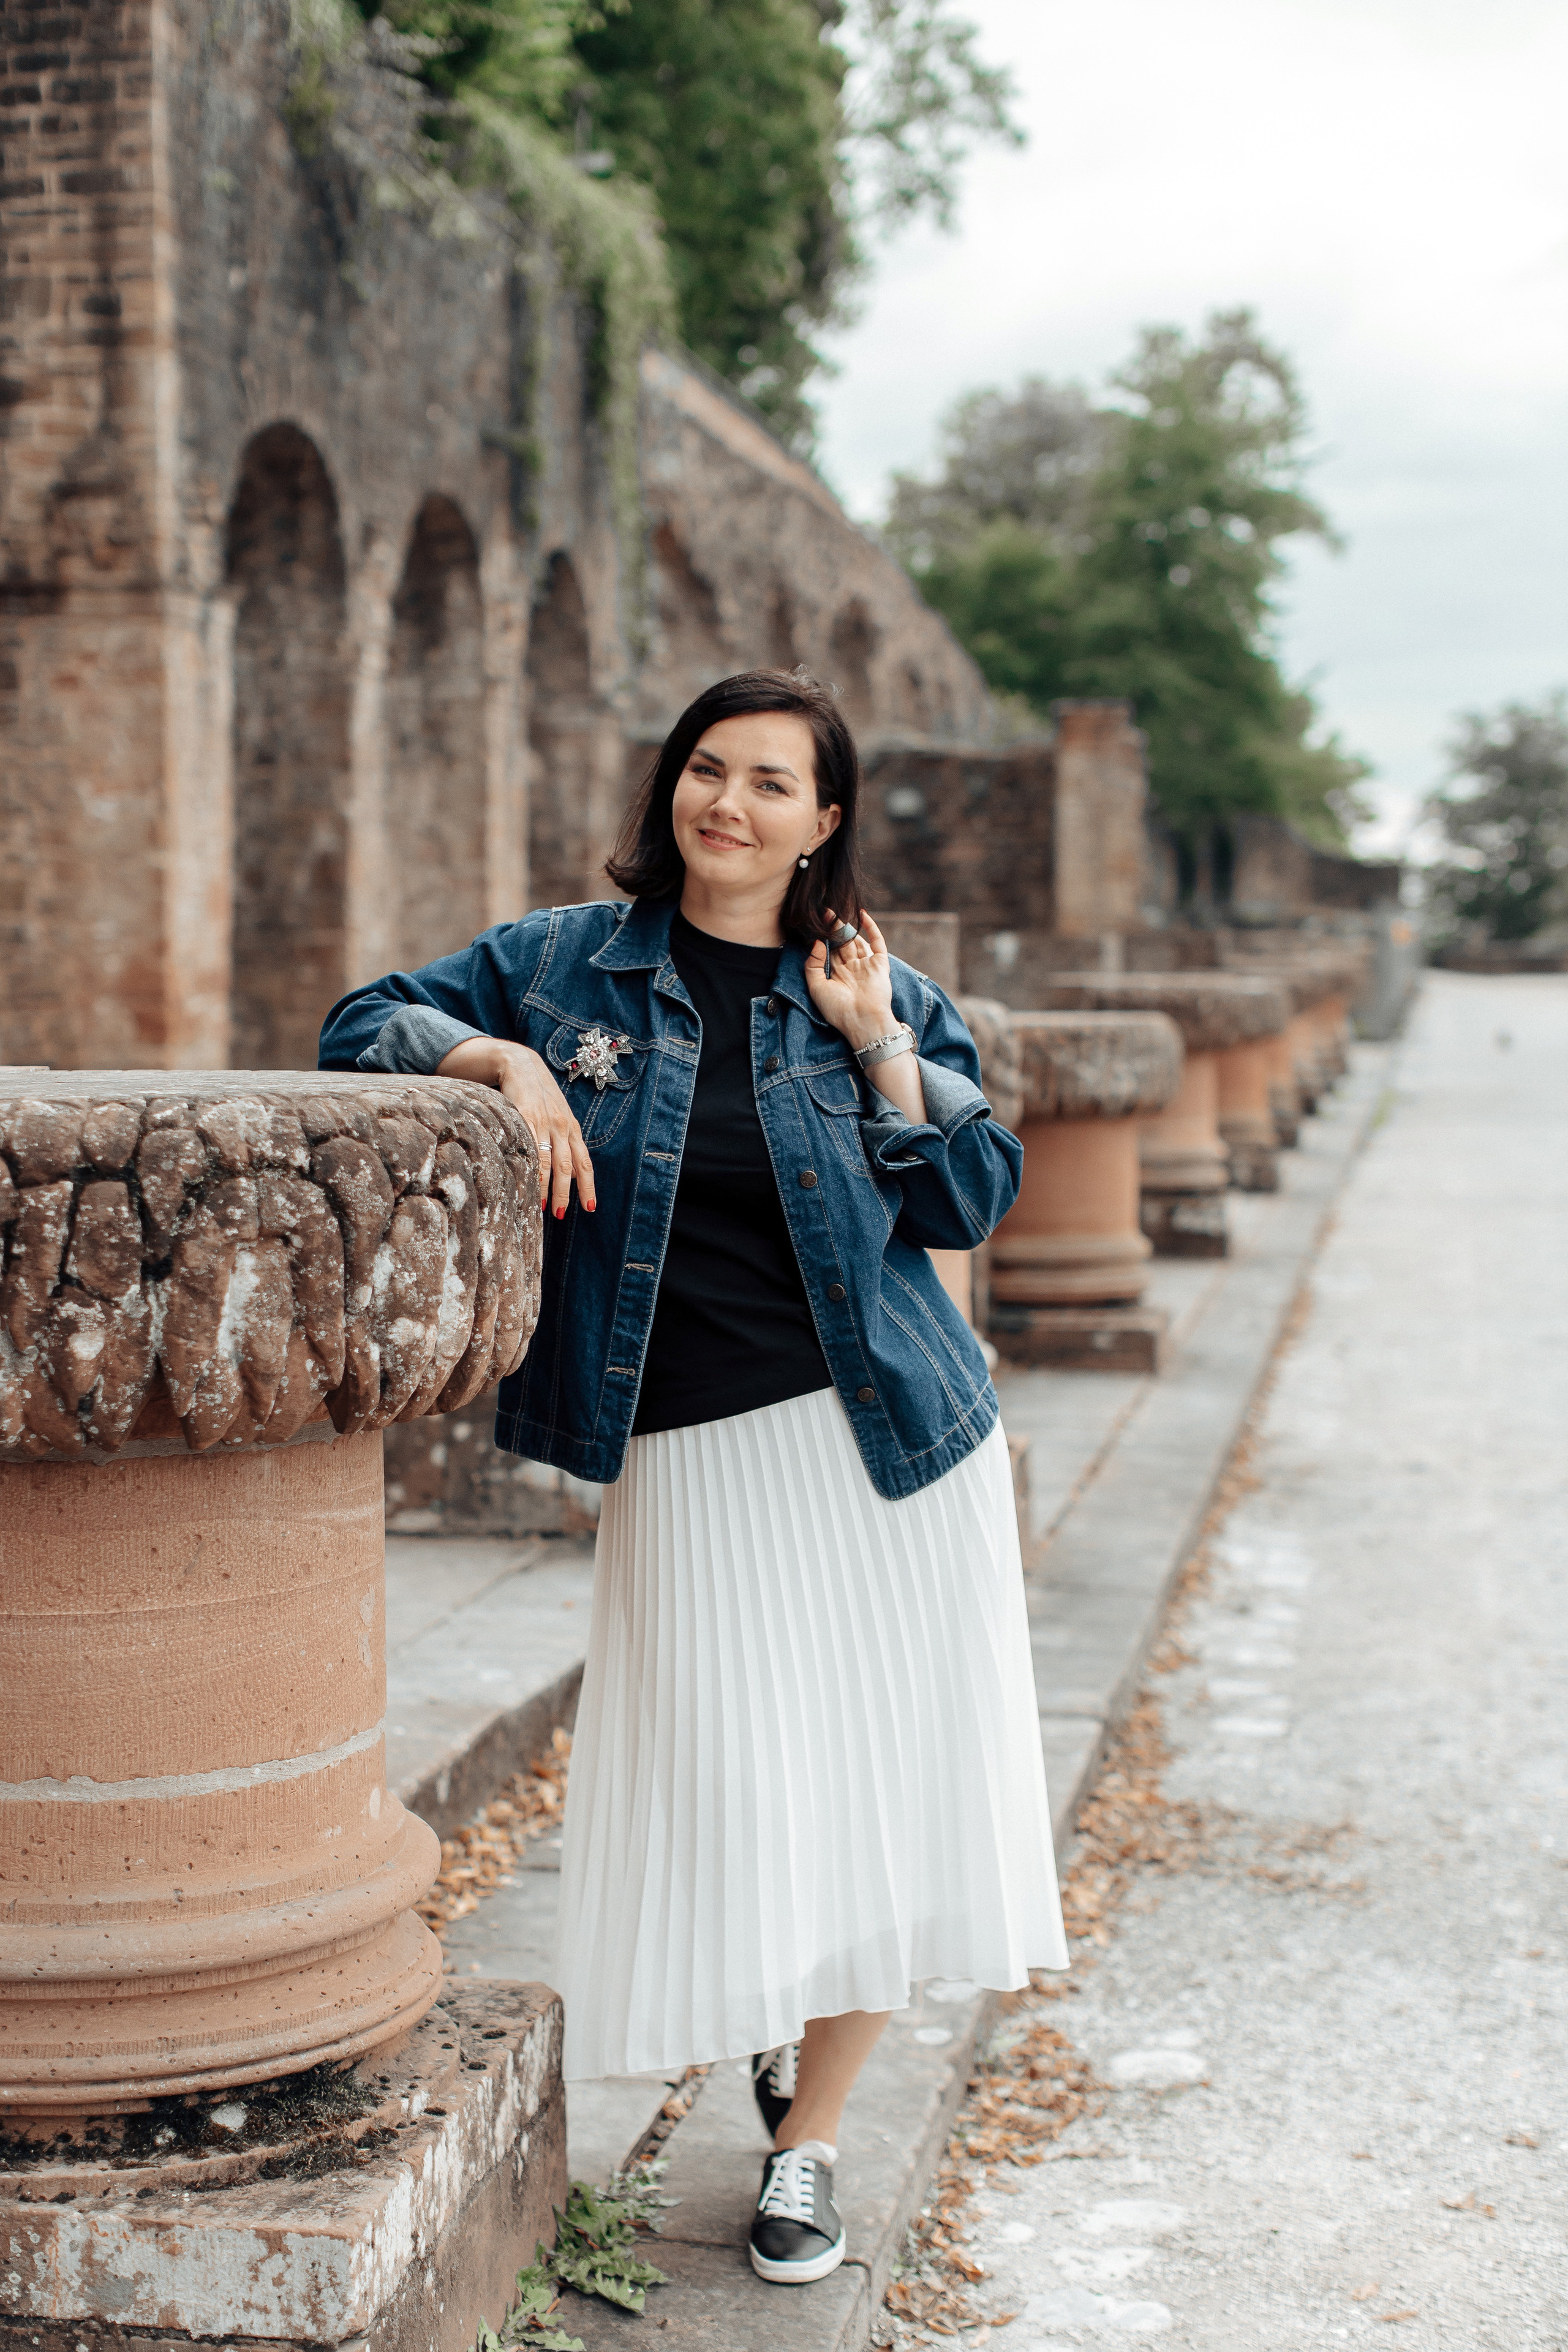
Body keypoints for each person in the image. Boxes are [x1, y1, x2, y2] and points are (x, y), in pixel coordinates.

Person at [320, 668, 1068, 2286]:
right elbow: (361, 1017)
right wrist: (501, 1067)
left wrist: (877, 1049)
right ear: (674, 786)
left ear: (824, 822)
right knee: (734, 1775)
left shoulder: (872, 986)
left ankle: (807, 2145)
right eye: (706, 771)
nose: (728, 805)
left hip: (889, 1450)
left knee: (880, 1792)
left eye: (771, 784)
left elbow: (970, 1199)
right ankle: (781, 2038)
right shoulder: (564, 965)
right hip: (687, 1453)